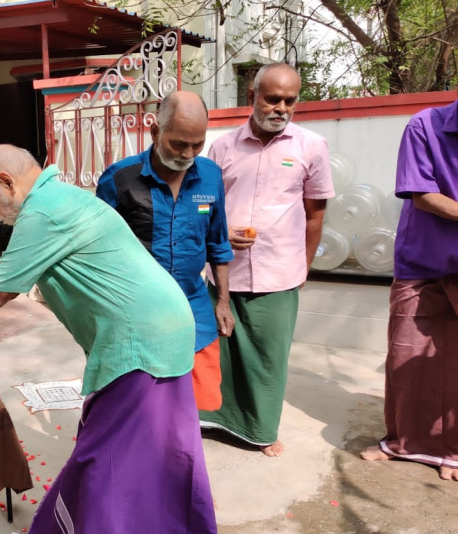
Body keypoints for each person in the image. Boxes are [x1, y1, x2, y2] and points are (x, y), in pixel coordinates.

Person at [0, 145, 219, 534]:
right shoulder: (63, 195)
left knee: (106, 458)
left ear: (7, 182)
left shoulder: (41, 211)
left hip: (141, 341)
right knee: (159, 452)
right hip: (165, 329)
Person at [202, 63, 334, 457]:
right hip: (226, 270)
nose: (280, 108)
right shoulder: (222, 147)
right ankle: (217, 421)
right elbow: (206, 207)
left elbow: (315, 214)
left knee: (268, 355)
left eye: (289, 101)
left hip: (280, 270)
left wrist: (303, 267)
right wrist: (220, 236)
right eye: (272, 98)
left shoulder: (311, 146)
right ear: (252, 98)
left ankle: (261, 430)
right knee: (222, 351)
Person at [96, 91, 234, 411]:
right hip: (135, 311)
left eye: (197, 145)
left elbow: (218, 242)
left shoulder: (211, 176)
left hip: (192, 307)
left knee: (200, 399)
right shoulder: (119, 179)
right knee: (139, 403)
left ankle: (180, 453)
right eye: (178, 144)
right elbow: (96, 251)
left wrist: (224, 301)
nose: (188, 153)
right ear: (155, 132)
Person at [360, 97, 458, 481]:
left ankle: (451, 450)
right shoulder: (425, 125)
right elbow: (422, 194)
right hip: (422, 262)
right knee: (406, 358)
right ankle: (404, 442)